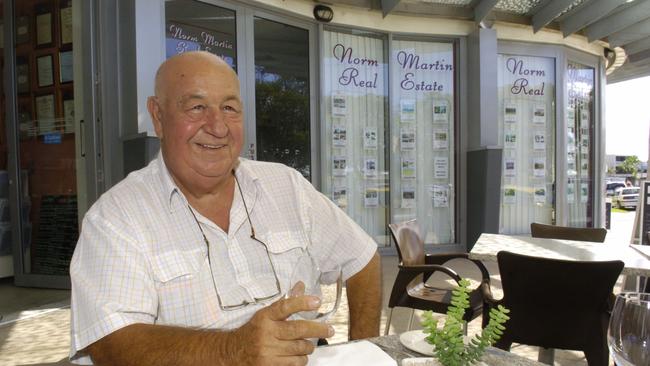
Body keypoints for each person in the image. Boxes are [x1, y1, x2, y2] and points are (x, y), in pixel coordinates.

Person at [69, 51, 381, 365]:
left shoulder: (286, 186)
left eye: (229, 108)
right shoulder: (115, 218)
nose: (218, 126)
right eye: (197, 107)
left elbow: (362, 258)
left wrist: (364, 348)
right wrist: (233, 350)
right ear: (158, 117)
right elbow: (112, 344)